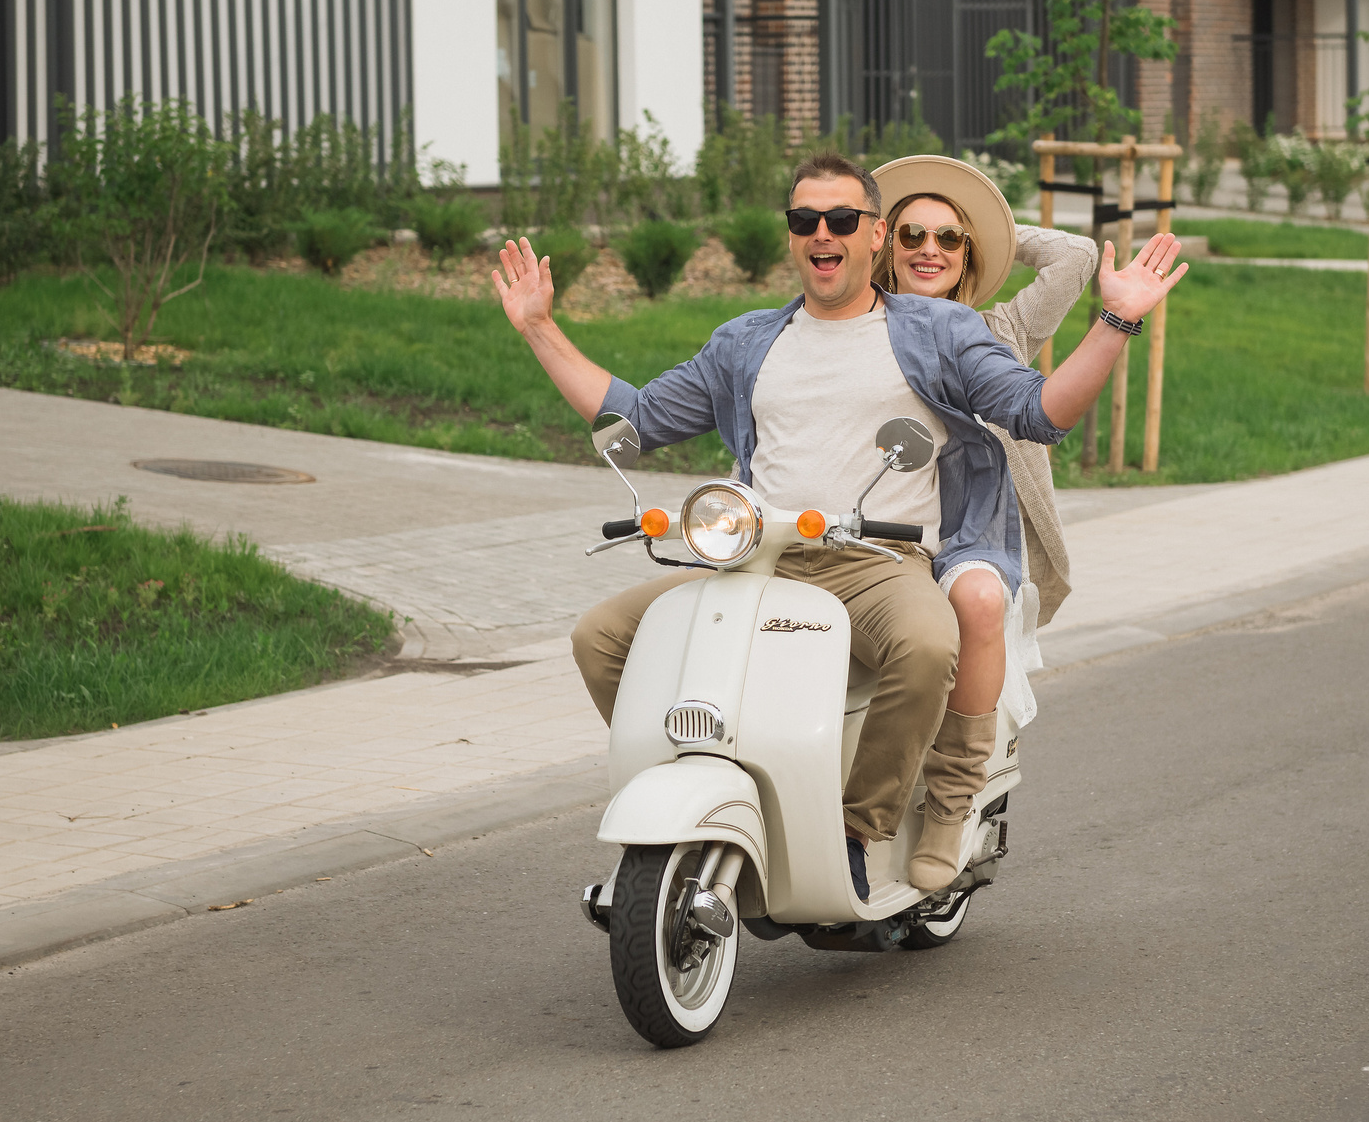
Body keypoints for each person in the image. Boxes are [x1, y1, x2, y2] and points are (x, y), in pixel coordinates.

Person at [490, 153, 1185, 902]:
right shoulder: (746, 341)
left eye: (843, 219)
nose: (823, 233)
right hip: (759, 557)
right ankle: (693, 801)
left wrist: (1117, 321)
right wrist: (539, 327)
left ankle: (859, 830)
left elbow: (1038, 412)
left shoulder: (941, 330)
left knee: (927, 646)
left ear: (873, 234)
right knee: (599, 635)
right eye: (805, 220)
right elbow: (638, 419)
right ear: (793, 235)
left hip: (877, 561)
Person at [869, 155, 1098, 891]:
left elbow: (1077, 255)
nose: (929, 250)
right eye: (910, 235)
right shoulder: (857, 326)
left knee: (973, 602)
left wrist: (995, 231)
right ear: (884, 245)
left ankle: (952, 798)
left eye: (949, 238)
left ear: (969, 255)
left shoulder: (1002, 328)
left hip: (976, 532)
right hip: (877, 529)